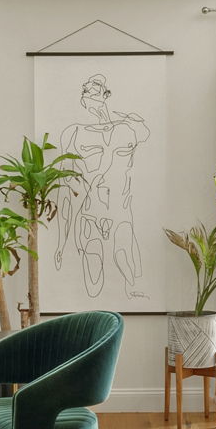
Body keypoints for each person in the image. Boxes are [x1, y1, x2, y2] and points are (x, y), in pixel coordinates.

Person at [54, 74, 151, 300]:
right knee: (93, 288)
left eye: (95, 90)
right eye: (87, 90)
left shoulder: (129, 130)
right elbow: (65, 191)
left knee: (129, 275)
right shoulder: (75, 133)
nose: (90, 94)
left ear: (106, 94)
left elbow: (144, 132)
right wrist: (61, 242)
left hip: (121, 214)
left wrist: (127, 119)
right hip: (90, 215)